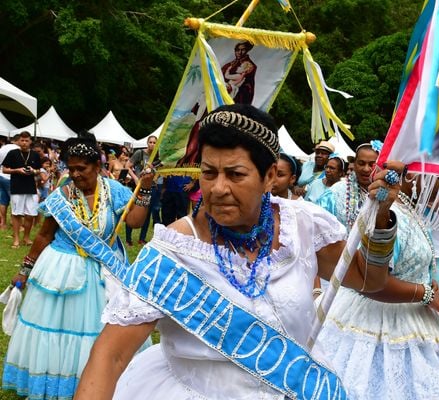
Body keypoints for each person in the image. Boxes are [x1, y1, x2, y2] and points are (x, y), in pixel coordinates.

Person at [74, 103, 401, 400]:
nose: (218, 188)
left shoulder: (302, 225)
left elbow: (369, 280)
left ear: (270, 176)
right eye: (208, 172)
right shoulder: (173, 250)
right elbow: (111, 355)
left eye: (235, 174)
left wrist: (383, 216)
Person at [316, 141, 439, 399]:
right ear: (412, 175)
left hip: (415, 319)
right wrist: (426, 294)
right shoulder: (388, 214)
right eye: (438, 176)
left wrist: (429, 282)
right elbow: (372, 283)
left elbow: (413, 264)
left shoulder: (411, 212)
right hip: (379, 324)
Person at [1, 132, 154, 400]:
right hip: (62, 272)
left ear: (98, 166)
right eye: (70, 169)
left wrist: (146, 188)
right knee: (58, 331)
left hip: (104, 274)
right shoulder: (62, 195)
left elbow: (136, 223)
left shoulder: (115, 191)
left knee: (102, 334)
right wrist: (24, 271)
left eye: (81, 169)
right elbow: (45, 235)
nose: (75, 174)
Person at [1, 131, 42, 248]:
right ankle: (16, 239)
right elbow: (4, 169)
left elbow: (39, 170)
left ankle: (26, 238)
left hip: (31, 188)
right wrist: (17, 170)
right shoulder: (13, 153)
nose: (24, 143)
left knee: (30, 214)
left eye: (27, 140)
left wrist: (34, 171)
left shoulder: (34, 154)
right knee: (16, 214)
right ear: (18, 141)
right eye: (22, 140)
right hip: (17, 187)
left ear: (30, 141)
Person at [127, 135, 161, 244]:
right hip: (139, 188)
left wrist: (156, 178)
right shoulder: (140, 153)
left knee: (147, 212)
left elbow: (159, 171)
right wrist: (135, 178)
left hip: (151, 188)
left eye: (154, 143)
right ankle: (128, 239)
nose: (152, 144)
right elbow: (127, 166)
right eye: (150, 142)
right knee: (134, 210)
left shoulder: (157, 157)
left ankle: (142, 238)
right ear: (147, 143)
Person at [0, 134, 19, 230]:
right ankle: (13, 221)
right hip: (10, 177)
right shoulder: (17, 149)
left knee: (3, 200)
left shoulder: (3, 147)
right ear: (18, 140)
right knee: (14, 200)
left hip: (1, 175)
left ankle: (2, 223)